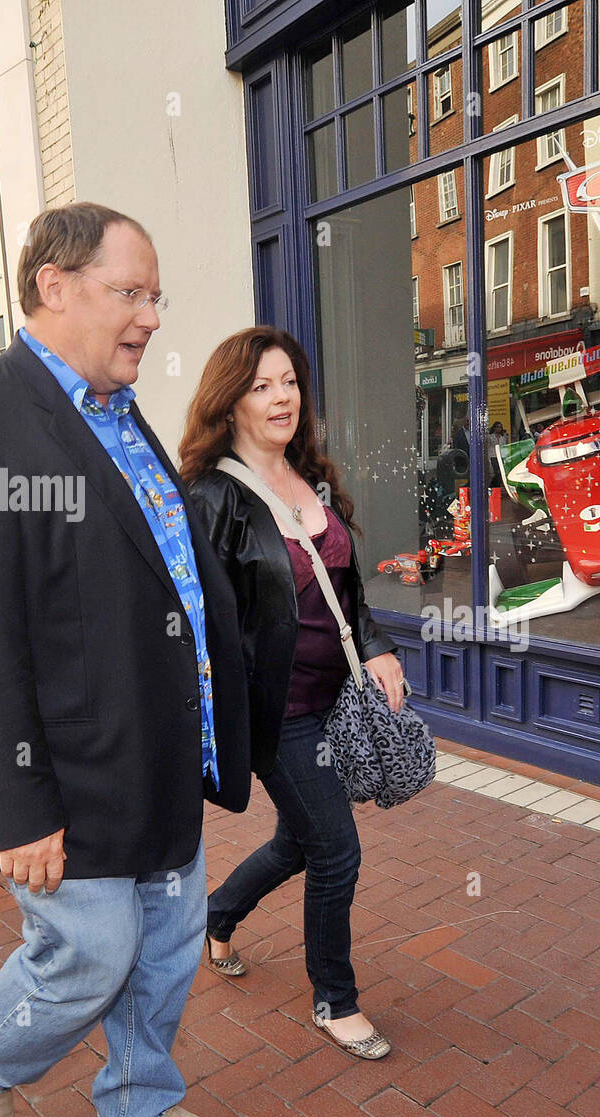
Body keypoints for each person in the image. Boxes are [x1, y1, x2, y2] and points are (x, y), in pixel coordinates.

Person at [0, 203, 252, 1117]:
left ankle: (139, 1101)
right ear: (54, 287)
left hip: (164, 753)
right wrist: (16, 809)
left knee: (167, 952)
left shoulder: (118, 413)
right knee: (88, 957)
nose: (150, 315)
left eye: (156, 296)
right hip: (65, 776)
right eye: (129, 292)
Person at [181, 327, 404, 1061]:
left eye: (290, 382)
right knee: (336, 850)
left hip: (339, 701)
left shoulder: (315, 478)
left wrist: (377, 650)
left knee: (298, 841)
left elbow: (350, 592)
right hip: (278, 711)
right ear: (230, 402)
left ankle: (217, 913)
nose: (282, 398)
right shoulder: (211, 498)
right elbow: (191, 621)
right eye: (261, 386)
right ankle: (335, 999)